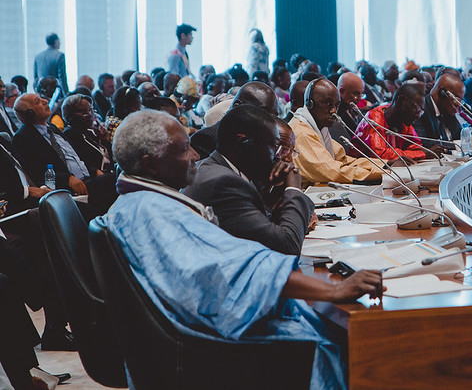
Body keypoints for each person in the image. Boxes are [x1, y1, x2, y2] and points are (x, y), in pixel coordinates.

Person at [91, 110, 382, 390]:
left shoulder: (135, 204)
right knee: (340, 338)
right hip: (204, 351)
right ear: (151, 164)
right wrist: (334, 290)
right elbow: (236, 268)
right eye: (183, 150)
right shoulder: (152, 211)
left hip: (171, 347)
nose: (194, 156)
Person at [183, 106, 314, 255]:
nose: (277, 156)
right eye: (273, 146)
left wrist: (274, 190)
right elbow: (287, 245)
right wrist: (294, 189)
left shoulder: (222, 168)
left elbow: (262, 225)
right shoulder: (223, 182)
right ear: (244, 141)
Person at [289, 79, 385, 185]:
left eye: (336, 105)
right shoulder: (301, 132)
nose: (333, 111)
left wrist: (385, 165)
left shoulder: (319, 127)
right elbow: (331, 171)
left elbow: (343, 160)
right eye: (328, 104)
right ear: (310, 104)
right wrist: (380, 174)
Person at [11, 94, 89, 195]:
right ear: (29, 113)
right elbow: (37, 174)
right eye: (37, 102)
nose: (45, 101)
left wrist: (92, 170)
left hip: (86, 178)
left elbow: (73, 156)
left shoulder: (52, 128)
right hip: (67, 190)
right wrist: (66, 179)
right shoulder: (23, 138)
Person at [190, 81, 278, 159]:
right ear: (237, 106)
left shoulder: (262, 141)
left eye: (273, 116)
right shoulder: (204, 139)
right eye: (263, 112)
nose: (270, 121)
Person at [353, 83, 431, 162]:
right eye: (416, 108)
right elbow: (380, 154)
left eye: (421, 110)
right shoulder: (374, 119)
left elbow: (415, 147)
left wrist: (428, 152)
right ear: (401, 101)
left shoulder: (403, 120)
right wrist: (421, 154)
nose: (418, 115)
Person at [414, 72, 472, 149]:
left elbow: (461, 135)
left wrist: (470, 139)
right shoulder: (420, 110)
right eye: (456, 99)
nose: (458, 104)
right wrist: (459, 144)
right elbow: (424, 143)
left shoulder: (447, 109)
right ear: (442, 93)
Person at [328, 72, 365, 147]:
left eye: (361, 94)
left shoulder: (352, 108)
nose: (359, 98)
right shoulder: (333, 113)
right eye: (355, 94)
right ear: (341, 91)